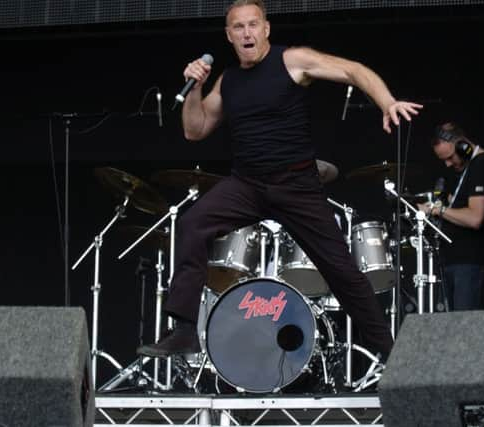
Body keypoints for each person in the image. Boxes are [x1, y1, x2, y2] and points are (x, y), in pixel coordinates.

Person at [137, 0, 422, 363]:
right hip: (247, 185)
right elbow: (195, 130)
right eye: (238, 27)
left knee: (343, 272)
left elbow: (352, 70)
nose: (246, 33)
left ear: (266, 29)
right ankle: (184, 331)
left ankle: (393, 356)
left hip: (296, 186)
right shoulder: (228, 80)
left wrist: (387, 102)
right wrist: (195, 88)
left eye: (253, 25)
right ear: (229, 36)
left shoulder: (292, 61)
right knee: (192, 224)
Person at [419, 122, 484, 311]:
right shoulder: (459, 171)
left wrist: (439, 210)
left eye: (450, 157)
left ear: (463, 146)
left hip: (471, 262)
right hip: (453, 260)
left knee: (465, 327)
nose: (447, 163)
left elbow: (475, 217)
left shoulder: (481, 165)